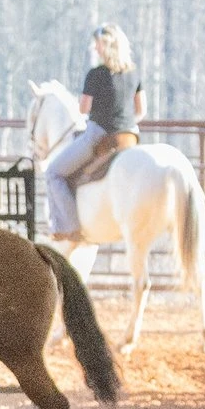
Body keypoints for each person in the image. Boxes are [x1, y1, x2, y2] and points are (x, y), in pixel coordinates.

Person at [46, 24, 143, 244]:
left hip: (100, 134)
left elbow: (83, 108)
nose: (96, 48)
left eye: (97, 44)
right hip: (129, 136)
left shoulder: (96, 74)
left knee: (54, 172)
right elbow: (141, 110)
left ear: (105, 45)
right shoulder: (134, 72)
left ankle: (70, 227)